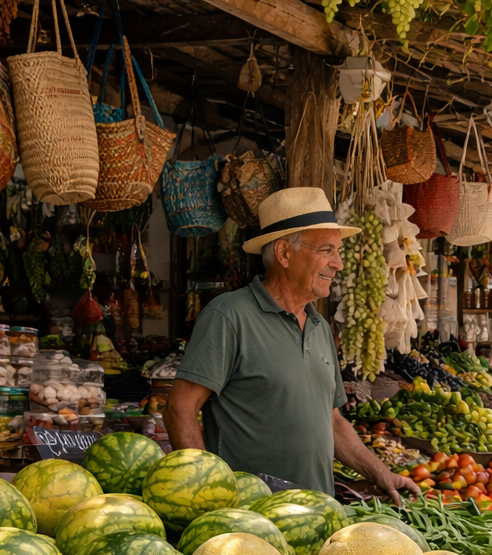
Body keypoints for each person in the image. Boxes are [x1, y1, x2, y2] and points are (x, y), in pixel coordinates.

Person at [165, 187, 420, 502]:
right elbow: (179, 409)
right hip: (251, 518)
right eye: (326, 250)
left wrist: (379, 471)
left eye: (338, 251)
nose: (338, 263)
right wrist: (207, 495)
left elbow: (332, 420)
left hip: (315, 514)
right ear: (284, 254)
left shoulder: (319, 327)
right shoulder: (229, 316)